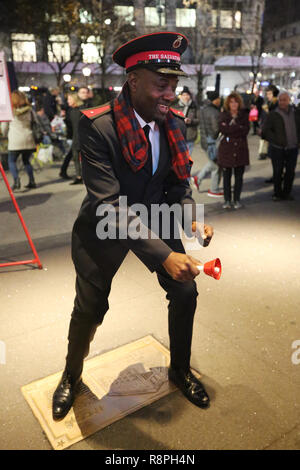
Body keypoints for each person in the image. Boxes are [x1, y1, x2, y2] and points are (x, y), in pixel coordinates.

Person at [52, 32, 214, 421]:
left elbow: (177, 182)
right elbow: (108, 204)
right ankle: (71, 377)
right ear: (133, 79)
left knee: (186, 291)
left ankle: (179, 369)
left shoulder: (172, 122)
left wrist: (193, 215)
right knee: (89, 307)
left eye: (174, 83)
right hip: (106, 227)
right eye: (162, 83)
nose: (171, 93)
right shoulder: (98, 126)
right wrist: (164, 254)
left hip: (155, 219)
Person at [262, 91, 300, 201]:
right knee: (278, 172)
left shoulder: (295, 113)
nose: (282, 102)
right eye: (281, 100)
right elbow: (265, 131)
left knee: (290, 172)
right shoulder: (273, 114)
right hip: (278, 149)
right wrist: (276, 141)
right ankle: (277, 193)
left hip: (293, 148)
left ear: (289, 100)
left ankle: (286, 193)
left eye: (285, 100)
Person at [217, 92, 250, 209]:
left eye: (236, 101)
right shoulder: (223, 115)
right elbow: (222, 128)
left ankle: (236, 200)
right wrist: (237, 128)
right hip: (227, 150)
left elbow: (245, 130)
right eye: (231, 102)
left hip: (240, 150)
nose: (234, 104)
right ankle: (227, 200)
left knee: (239, 177)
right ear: (228, 104)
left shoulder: (244, 115)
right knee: (226, 177)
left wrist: (231, 128)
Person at [1, 90, 36, 190]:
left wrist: (4, 134)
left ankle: (16, 181)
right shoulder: (30, 110)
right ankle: (32, 181)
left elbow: (4, 127)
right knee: (26, 161)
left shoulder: (10, 112)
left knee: (11, 161)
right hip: (29, 138)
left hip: (15, 140)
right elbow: (35, 121)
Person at [190, 90, 223, 197]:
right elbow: (215, 129)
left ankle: (198, 179)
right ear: (215, 100)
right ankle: (213, 189)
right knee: (216, 166)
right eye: (219, 98)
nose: (220, 100)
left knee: (213, 163)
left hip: (205, 141)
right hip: (211, 143)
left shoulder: (203, 109)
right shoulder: (214, 112)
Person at [172, 86, 199, 155]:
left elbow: (199, 120)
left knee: (187, 157)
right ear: (181, 96)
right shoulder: (176, 106)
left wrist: (191, 121)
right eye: (184, 95)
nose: (186, 97)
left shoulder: (194, 106)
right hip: (178, 134)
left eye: (187, 95)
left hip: (190, 135)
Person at [67, 93, 84, 184]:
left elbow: (75, 127)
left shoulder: (76, 111)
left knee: (77, 157)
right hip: (77, 137)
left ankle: (80, 176)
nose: (68, 101)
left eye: (69, 99)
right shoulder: (75, 111)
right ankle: (80, 176)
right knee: (76, 157)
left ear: (74, 100)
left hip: (78, 138)